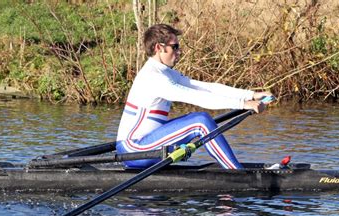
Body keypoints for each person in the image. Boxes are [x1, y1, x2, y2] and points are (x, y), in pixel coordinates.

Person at [116, 24, 273, 169]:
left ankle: (232, 168)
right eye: (175, 47)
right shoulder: (153, 77)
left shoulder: (166, 73)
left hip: (148, 145)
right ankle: (237, 174)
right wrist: (242, 104)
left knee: (197, 120)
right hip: (134, 150)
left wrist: (251, 94)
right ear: (159, 47)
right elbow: (197, 98)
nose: (179, 51)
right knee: (201, 122)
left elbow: (206, 88)